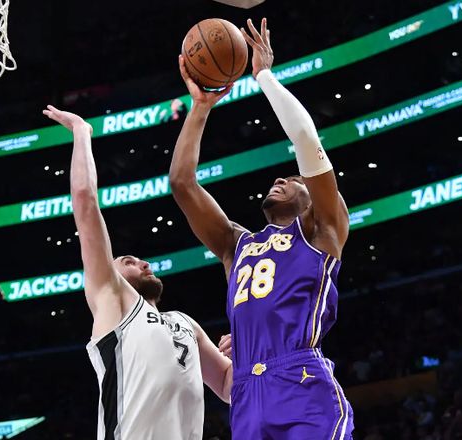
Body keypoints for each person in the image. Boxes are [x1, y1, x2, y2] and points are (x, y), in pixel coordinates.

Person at [170, 18, 354, 439]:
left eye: (293, 179)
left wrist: (264, 76)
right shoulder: (237, 244)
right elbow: (182, 183)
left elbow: (305, 139)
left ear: (312, 197)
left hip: (300, 380)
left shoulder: (322, 229)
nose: (280, 178)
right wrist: (200, 108)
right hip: (246, 392)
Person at [43, 105, 233, 440]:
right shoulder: (113, 298)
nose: (143, 263)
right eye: (128, 261)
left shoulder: (185, 323)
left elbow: (229, 387)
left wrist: (249, 351)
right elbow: (85, 201)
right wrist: (82, 132)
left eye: (141, 260)